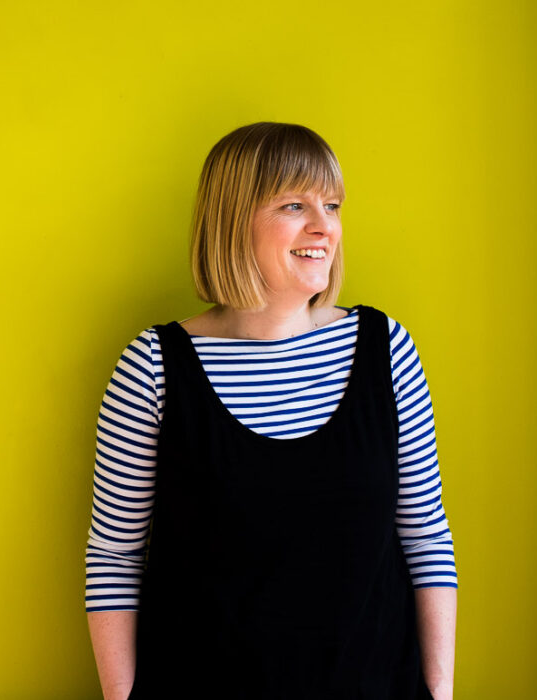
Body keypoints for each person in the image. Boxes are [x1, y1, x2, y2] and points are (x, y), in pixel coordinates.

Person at [84, 122, 458, 700]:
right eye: (294, 204)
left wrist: (440, 691)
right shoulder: (153, 367)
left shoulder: (386, 349)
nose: (323, 226)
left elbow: (425, 537)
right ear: (234, 220)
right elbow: (115, 555)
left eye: (331, 204)